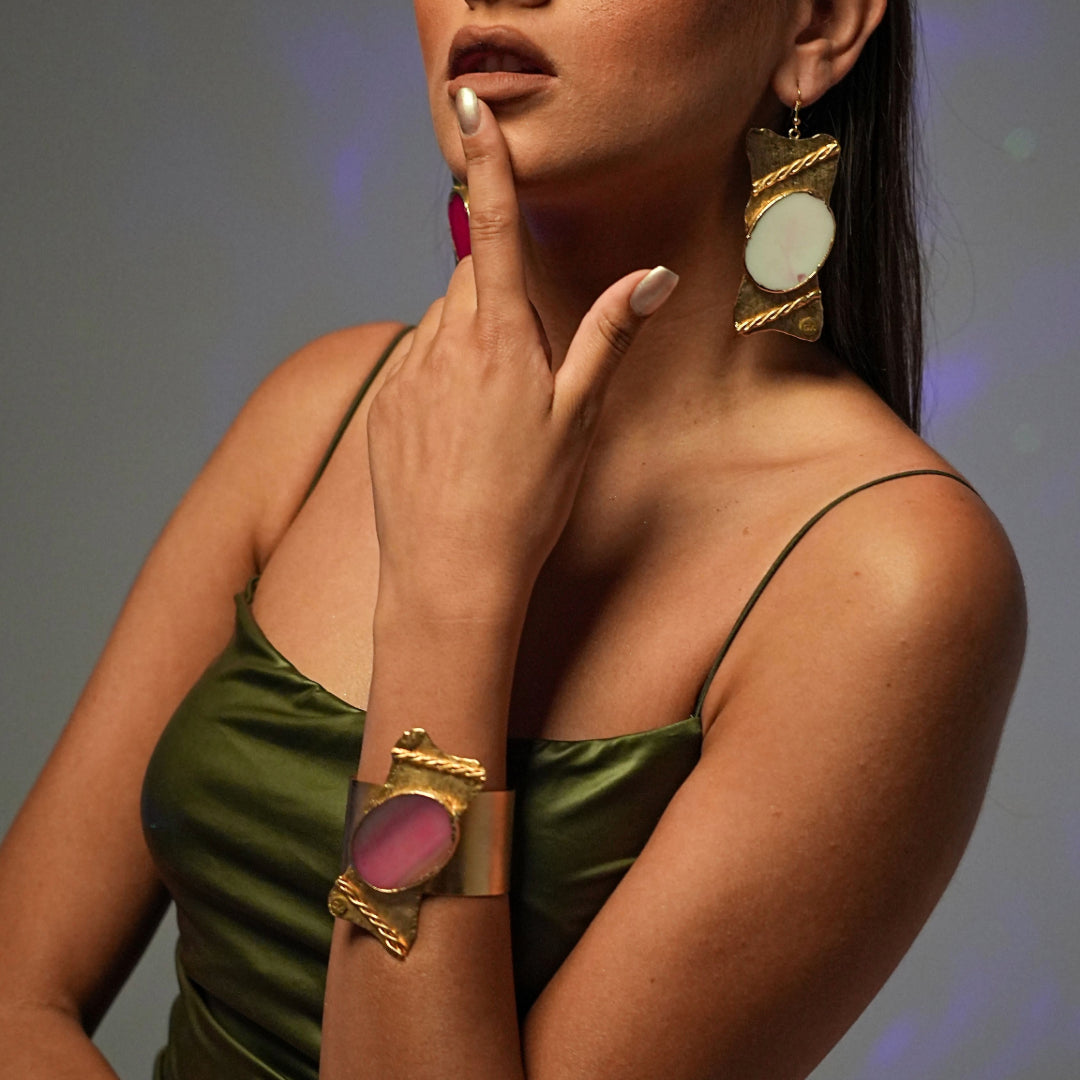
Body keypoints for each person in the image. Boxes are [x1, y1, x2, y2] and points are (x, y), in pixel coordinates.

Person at [0, 0, 1026, 1077]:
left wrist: (451, 597)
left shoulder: (894, 582)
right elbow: (17, 993)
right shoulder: (321, 410)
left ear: (817, 26)